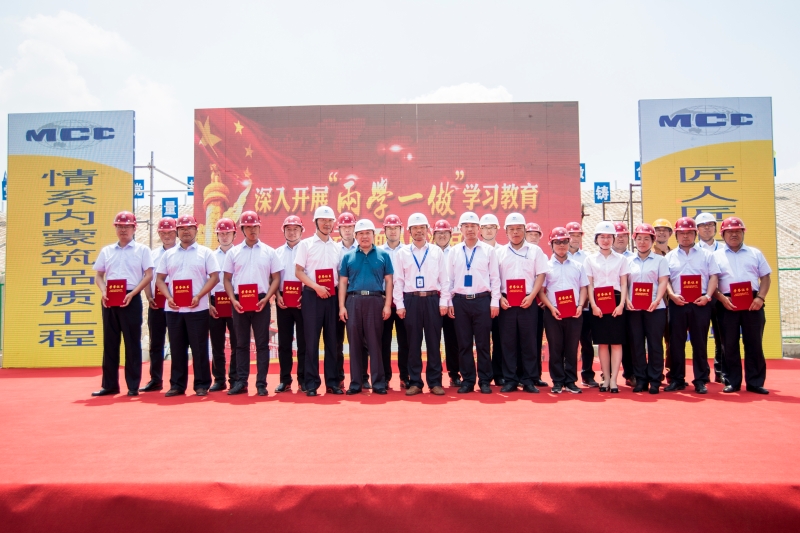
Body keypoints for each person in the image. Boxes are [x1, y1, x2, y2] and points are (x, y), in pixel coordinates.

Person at [155, 214, 220, 397]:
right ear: (177, 231)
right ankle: (177, 385)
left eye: (189, 228)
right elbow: (159, 279)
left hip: (197, 309)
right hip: (174, 309)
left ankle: (201, 384)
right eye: (182, 228)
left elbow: (215, 277)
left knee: (199, 347)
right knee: (177, 347)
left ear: (196, 230)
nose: (186, 231)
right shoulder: (168, 255)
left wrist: (199, 295)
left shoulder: (205, 253)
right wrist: (168, 297)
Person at [91, 211, 154, 396]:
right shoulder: (107, 251)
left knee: (132, 342)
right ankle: (109, 385)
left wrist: (134, 293)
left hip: (131, 297)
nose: (123, 230)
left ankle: (133, 385)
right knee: (110, 342)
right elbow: (99, 276)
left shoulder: (142, 250)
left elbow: (149, 275)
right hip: (110, 298)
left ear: (134, 228)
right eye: (120, 226)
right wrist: (104, 292)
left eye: (127, 226)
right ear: (115, 228)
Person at [223, 211, 283, 396]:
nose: (252, 230)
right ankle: (241, 382)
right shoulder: (233, 252)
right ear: (242, 229)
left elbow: (276, 278)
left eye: (255, 226)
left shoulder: (269, 252)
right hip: (239, 302)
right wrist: (233, 300)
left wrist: (268, 297)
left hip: (261, 301)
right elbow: (227, 279)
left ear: (259, 227)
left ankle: (261, 384)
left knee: (262, 344)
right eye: (248, 227)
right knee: (241, 344)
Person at [393, 213, 450, 396]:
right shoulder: (402, 253)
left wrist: (444, 302)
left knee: (434, 342)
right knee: (413, 343)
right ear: (409, 231)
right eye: (415, 228)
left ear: (427, 230)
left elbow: (444, 280)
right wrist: (399, 304)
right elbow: (398, 281)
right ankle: (415, 382)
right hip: (411, 300)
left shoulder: (436, 252)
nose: (419, 231)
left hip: (432, 300)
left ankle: (435, 382)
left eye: (422, 228)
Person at [713, 217, 771, 394]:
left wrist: (760, 298)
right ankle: (732, 381)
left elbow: (765, 277)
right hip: (726, 302)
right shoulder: (715, 256)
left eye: (737, 231)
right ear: (723, 234)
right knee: (729, 344)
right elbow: (711, 282)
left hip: (753, 302)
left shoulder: (755, 253)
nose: (734, 235)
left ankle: (755, 382)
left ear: (743, 233)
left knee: (754, 343)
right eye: (730, 232)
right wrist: (721, 298)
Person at [446, 211, 501, 394]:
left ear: (479, 229)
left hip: (482, 301)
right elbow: (449, 280)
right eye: (466, 226)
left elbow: (495, 279)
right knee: (464, 344)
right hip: (460, 302)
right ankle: (468, 380)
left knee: (484, 343)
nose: (469, 229)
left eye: (473, 226)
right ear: (460, 229)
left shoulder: (488, 251)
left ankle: (485, 380)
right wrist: (449, 302)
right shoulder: (454, 251)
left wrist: (495, 302)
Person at [664, 217, 720, 394]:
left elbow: (714, 276)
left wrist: (708, 296)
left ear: (695, 234)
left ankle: (701, 380)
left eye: (689, 233)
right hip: (677, 304)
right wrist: (671, 295)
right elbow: (665, 280)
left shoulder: (707, 255)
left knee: (700, 343)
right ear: (676, 235)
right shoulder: (669, 257)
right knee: (676, 343)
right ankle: (677, 379)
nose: (685, 236)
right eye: (682, 233)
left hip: (700, 304)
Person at [339, 219, 393, 395]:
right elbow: (343, 283)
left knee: (375, 343)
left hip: (375, 301)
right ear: (356, 236)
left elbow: (389, 281)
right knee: (354, 344)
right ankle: (355, 383)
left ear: (373, 235)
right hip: (353, 301)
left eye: (368, 233)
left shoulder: (383, 255)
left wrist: (387, 305)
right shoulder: (348, 257)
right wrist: (342, 306)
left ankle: (378, 383)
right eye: (361, 233)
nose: (364, 236)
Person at [496, 213, 548, 393]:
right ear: (506, 232)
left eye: (519, 228)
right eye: (511, 229)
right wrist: (499, 297)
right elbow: (494, 278)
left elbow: (541, 274)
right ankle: (510, 379)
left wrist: (532, 296)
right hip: (506, 302)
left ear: (525, 230)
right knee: (507, 342)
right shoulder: (499, 252)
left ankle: (528, 379)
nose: (515, 232)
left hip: (528, 300)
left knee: (529, 342)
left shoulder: (535, 251)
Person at [295, 206, 342, 396]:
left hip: (332, 298)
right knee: (311, 341)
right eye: (323, 220)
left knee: (332, 341)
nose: (327, 224)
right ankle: (311, 383)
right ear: (315, 222)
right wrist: (316, 287)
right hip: (312, 297)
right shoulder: (305, 245)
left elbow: (340, 275)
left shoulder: (337, 247)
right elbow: (298, 272)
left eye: (330, 221)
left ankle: (332, 382)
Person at [538, 227, 588, 394]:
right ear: (551, 244)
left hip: (574, 312)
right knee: (555, 347)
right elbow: (541, 291)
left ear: (569, 243)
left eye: (564, 241)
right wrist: (551, 308)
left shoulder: (578, 266)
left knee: (572, 348)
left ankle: (571, 381)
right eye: (557, 242)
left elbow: (583, 287)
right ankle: (558, 381)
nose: (561, 245)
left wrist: (580, 306)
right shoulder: (545, 267)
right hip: (553, 312)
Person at [584, 222, 629, 393]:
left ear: (613, 239)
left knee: (616, 343)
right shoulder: (590, 260)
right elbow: (589, 284)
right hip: (598, 303)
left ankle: (615, 380)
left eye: (609, 237)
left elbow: (624, 283)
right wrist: (593, 305)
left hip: (616, 301)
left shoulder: (622, 259)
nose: (605, 240)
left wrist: (622, 304)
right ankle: (606, 378)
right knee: (602, 343)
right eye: (602, 237)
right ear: (596, 239)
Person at [625, 224, 669, 394]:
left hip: (655, 308)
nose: (642, 242)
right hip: (634, 309)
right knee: (636, 344)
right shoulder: (627, 261)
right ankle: (641, 379)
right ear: (634, 240)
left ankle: (655, 379)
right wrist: (627, 300)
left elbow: (663, 281)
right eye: (639, 239)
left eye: (646, 239)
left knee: (655, 344)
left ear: (652, 240)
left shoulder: (660, 260)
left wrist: (657, 300)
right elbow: (624, 283)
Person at [140, 217, 177, 393]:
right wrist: (148, 296)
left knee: (177, 343)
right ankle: (155, 379)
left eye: (170, 232)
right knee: (156, 343)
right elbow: (147, 277)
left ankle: (177, 381)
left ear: (176, 232)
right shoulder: (152, 254)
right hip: (157, 304)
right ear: (159, 234)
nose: (167, 236)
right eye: (163, 233)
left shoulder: (182, 252)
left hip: (178, 305)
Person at [274, 215, 307, 393]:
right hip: (283, 303)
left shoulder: (308, 250)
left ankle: (303, 379)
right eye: (288, 229)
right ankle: (285, 380)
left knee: (304, 343)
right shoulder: (277, 252)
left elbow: (311, 274)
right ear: (283, 231)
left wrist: (306, 295)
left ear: (302, 231)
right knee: (284, 343)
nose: (292, 232)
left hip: (303, 302)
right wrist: (277, 295)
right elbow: (273, 277)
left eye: (295, 229)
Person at [565, 221, 597, 388]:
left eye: (578, 235)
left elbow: (590, 282)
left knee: (586, 342)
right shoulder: (557, 256)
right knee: (566, 344)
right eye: (572, 235)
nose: (575, 238)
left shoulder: (587, 258)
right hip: (563, 308)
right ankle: (565, 376)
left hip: (583, 307)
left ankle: (587, 374)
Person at [208, 218, 238, 392]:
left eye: (228, 233)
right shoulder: (210, 255)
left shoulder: (240, 253)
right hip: (215, 302)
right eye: (221, 233)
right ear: (217, 235)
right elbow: (205, 280)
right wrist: (208, 303)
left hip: (235, 301)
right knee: (217, 343)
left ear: (234, 234)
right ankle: (219, 379)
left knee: (237, 342)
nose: (225, 236)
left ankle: (235, 378)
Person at [695, 212, 726, 384]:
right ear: (697, 229)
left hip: (721, 298)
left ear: (715, 227)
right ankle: (703, 372)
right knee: (700, 337)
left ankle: (721, 371)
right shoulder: (693, 250)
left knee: (722, 336)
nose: (707, 228)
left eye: (710, 225)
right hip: (701, 298)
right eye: (703, 225)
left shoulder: (725, 249)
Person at [379, 214, 409, 388]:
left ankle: (405, 376)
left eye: (396, 228)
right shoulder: (378, 251)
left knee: (405, 340)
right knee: (384, 340)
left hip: (403, 300)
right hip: (384, 300)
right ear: (384, 230)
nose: (392, 231)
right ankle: (384, 376)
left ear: (401, 230)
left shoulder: (408, 251)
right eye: (389, 228)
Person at [433, 219, 461, 386]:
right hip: (433, 300)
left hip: (452, 302)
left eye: (445, 232)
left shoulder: (457, 252)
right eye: (438, 233)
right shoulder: (429, 252)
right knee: (433, 339)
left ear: (451, 234)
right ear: (433, 235)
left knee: (453, 339)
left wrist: (449, 301)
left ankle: (454, 373)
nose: (442, 235)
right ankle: (435, 375)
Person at [335, 212, 359, 388]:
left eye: (350, 226)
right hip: (338, 296)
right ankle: (339, 377)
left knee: (360, 340)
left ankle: (362, 377)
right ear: (339, 229)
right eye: (344, 227)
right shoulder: (334, 249)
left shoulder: (364, 247)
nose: (347, 230)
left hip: (357, 296)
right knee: (337, 339)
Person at [480, 213, 505, 386]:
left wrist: (499, 297)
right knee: (481, 340)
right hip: (480, 299)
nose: (489, 231)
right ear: (480, 230)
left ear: (497, 229)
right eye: (485, 227)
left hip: (500, 300)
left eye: (492, 227)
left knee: (499, 337)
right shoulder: (475, 249)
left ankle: (498, 373)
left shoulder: (504, 251)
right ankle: (483, 374)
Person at [612, 221, 635, 387]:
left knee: (630, 339)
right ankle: (608, 374)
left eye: (624, 235)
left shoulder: (634, 258)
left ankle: (630, 372)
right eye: (617, 236)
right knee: (610, 339)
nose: (621, 238)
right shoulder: (603, 257)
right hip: (611, 303)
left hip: (633, 305)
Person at [525, 221, 548, 387]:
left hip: (540, 304)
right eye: (530, 234)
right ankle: (520, 374)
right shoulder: (518, 253)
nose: (533, 237)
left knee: (536, 340)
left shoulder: (543, 256)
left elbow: (546, 281)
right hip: (522, 302)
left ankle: (536, 374)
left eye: (536, 235)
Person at [652, 218, 674, 382]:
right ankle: (656, 373)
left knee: (672, 339)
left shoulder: (676, 254)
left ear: (670, 234)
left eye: (665, 230)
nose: (661, 233)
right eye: (658, 230)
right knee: (655, 340)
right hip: (654, 304)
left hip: (674, 303)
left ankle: (672, 373)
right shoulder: (648, 254)